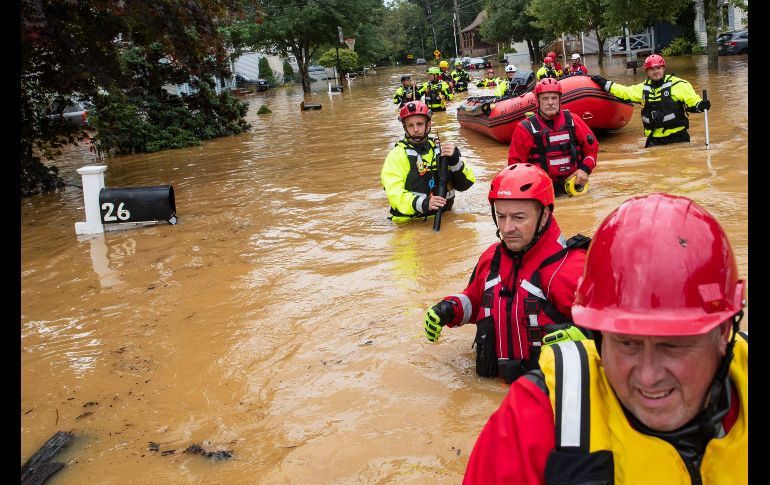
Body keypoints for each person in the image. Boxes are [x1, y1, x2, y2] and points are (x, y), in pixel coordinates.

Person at [463, 193, 747, 484]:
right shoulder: (536, 417)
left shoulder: (563, 269)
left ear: (724, 333)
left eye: (673, 345)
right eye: (626, 343)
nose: (648, 378)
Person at [423, 163, 590, 384]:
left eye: (519, 218)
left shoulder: (572, 268)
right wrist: (450, 309)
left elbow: (620, 339)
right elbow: (475, 301)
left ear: (544, 215)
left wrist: (589, 338)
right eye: (501, 216)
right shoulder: (491, 258)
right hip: (490, 389)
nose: (507, 227)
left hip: (544, 397)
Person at [381, 100, 475, 223]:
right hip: (409, 224)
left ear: (428, 125)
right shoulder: (396, 156)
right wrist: (424, 203)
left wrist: (454, 160)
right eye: (410, 125)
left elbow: (466, 183)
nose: (415, 129)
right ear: (405, 127)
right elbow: (395, 196)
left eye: (419, 124)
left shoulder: (442, 150)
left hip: (445, 219)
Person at [590, 54, 710, 147]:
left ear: (663, 68)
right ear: (647, 72)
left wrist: (700, 105)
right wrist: (605, 83)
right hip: (654, 140)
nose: (655, 71)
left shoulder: (679, 84)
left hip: (678, 138)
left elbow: (693, 102)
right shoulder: (642, 88)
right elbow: (624, 92)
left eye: (658, 68)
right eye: (651, 69)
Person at [507, 78, 597, 196]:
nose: (550, 102)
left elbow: (592, 150)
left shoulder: (573, 121)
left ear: (560, 100)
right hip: (541, 190)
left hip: (574, 187)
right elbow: (515, 166)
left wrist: (585, 170)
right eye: (545, 98)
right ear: (538, 101)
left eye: (554, 98)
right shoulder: (525, 128)